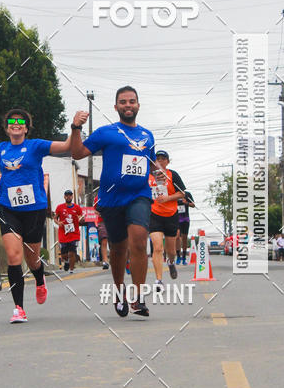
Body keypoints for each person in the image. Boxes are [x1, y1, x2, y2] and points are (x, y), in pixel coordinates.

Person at [0, 108, 72, 324]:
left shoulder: (36, 146)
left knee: (32, 259)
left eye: (20, 122)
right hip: (8, 208)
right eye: (11, 121)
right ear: (7, 128)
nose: (15, 124)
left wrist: (75, 127)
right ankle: (19, 308)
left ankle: (39, 278)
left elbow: (66, 146)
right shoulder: (0, 150)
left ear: (26, 128)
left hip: (34, 209)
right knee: (14, 257)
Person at [70, 86, 155, 318]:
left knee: (138, 240)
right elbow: (77, 153)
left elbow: (151, 163)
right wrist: (76, 127)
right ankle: (120, 292)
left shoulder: (148, 135)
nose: (128, 105)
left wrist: (157, 176)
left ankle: (138, 298)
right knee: (118, 249)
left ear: (138, 105)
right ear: (116, 107)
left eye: (132, 101)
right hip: (111, 199)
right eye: (123, 102)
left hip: (139, 195)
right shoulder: (105, 132)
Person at [148, 151, 187, 289]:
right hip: (154, 215)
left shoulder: (172, 175)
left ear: (168, 162)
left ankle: (171, 263)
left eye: (163, 159)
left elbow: (182, 193)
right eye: (157, 159)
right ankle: (159, 280)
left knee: (171, 251)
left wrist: (167, 198)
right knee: (157, 247)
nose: (160, 161)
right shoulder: (148, 176)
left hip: (171, 215)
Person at [54, 190, 84, 273]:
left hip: (74, 233)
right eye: (66, 195)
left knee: (72, 252)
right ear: (64, 197)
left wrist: (81, 219)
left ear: (72, 196)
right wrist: (58, 222)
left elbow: (82, 218)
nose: (68, 197)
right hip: (63, 233)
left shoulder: (77, 208)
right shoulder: (60, 207)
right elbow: (55, 218)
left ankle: (71, 269)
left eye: (70, 195)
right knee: (64, 254)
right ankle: (66, 262)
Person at [175, 190, 195, 264]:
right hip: (176, 218)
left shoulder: (187, 194)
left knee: (184, 238)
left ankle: (183, 257)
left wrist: (186, 203)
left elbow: (193, 205)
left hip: (185, 219)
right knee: (177, 236)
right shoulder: (174, 194)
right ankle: (178, 256)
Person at [93, 194, 110, 269]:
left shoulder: (113, 194)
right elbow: (95, 210)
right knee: (104, 240)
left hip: (113, 220)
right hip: (102, 221)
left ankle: (116, 260)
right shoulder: (98, 197)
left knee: (114, 242)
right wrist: (100, 213)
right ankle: (105, 261)